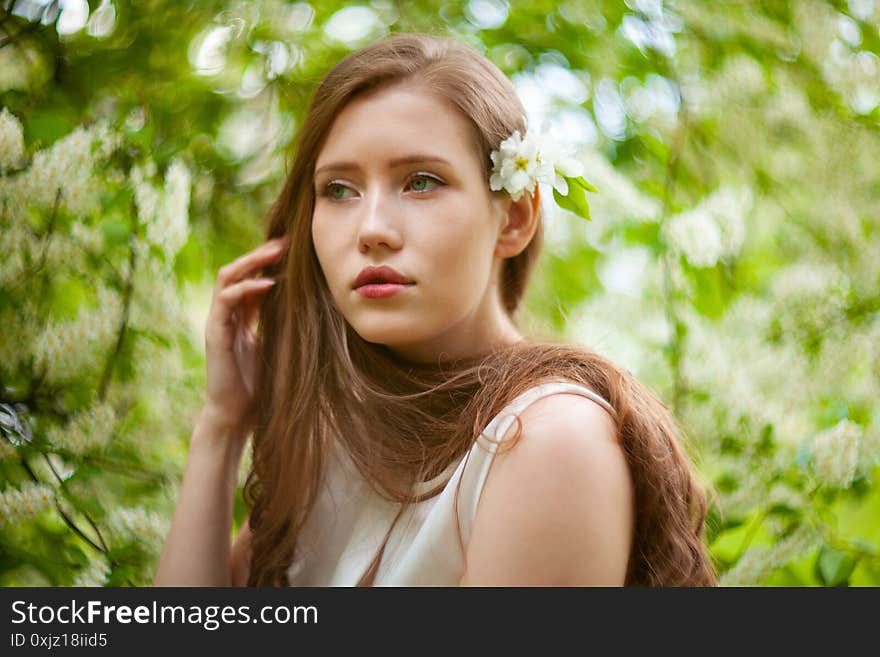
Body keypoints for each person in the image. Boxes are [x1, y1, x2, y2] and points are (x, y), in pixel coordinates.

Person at [153, 32, 717, 587]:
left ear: (515, 218)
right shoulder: (341, 444)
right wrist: (223, 425)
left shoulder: (547, 440)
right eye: (339, 190)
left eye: (421, 182)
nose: (371, 228)